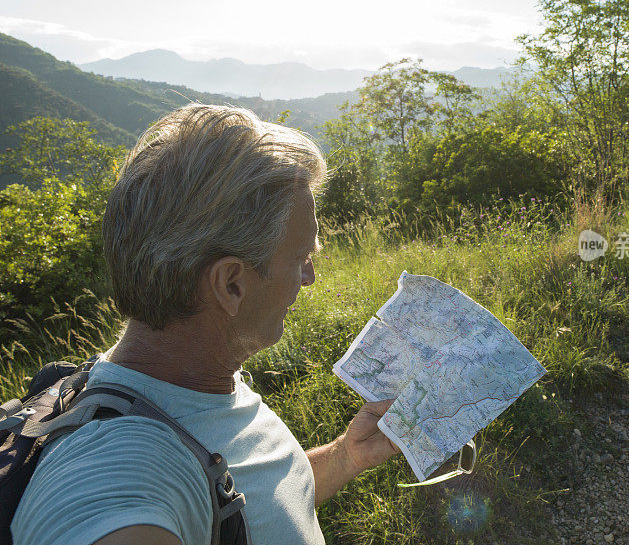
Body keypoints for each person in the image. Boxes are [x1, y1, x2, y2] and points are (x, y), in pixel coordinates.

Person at [10, 104, 401, 545]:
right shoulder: (122, 472)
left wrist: (344, 456)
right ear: (231, 285)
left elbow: (248, 511)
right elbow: (112, 509)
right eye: (301, 258)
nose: (310, 277)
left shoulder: (197, 381)